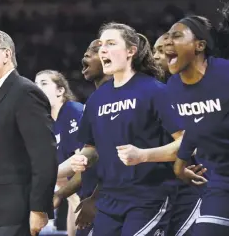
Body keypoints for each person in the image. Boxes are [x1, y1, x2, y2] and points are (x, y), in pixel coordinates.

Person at [70, 22, 185, 236]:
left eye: (111, 43)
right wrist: (83, 158)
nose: (103, 49)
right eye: (101, 44)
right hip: (109, 200)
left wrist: (144, 155)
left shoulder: (155, 91)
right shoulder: (96, 99)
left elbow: (186, 143)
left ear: (131, 51)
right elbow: (91, 148)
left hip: (149, 197)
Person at [164, 13, 229, 236]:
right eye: (166, 36)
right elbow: (196, 126)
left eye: (176, 36)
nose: (168, 41)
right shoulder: (173, 88)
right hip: (221, 181)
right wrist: (179, 165)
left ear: (199, 45)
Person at [0, 29, 58, 236]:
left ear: (6, 54)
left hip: (13, 215)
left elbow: (44, 155)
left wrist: (39, 208)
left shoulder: (24, 92)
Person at [53, 40, 111, 236]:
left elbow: (115, 159)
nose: (84, 56)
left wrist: (95, 198)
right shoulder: (95, 100)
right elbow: (90, 159)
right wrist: (61, 194)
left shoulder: (77, 110)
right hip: (95, 197)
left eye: (92, 52)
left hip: (116, 200)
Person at [153, 36, 205, 236]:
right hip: (164, 185)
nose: (156, 57)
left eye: (161, 51)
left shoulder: (194, 88)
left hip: (193, 182)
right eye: (154, 51)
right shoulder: (154, 91)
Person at [35, 70, 83, 236]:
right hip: (79, 197)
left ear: (60, 91)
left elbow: (83, 162)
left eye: (44, 83)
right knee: (72, 197)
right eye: (35, 85)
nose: (37, 88)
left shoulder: (74, 111)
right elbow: (67, 185)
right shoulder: (49, 125)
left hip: (103, 191)